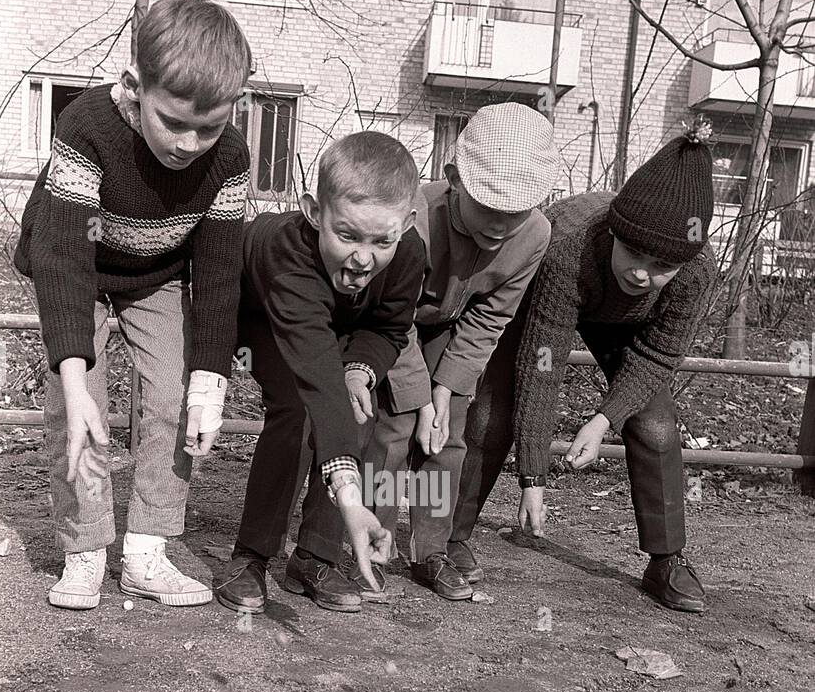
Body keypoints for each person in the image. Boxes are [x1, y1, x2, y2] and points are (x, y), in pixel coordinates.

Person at [14, 0, 252, 610]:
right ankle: (86, 548)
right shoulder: (87, 127)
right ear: (135, 86)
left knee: (174, 394)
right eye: (173, 121)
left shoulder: (228, 159)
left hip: (158, 274)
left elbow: (220, 272)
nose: (190, 143)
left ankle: (148, 546)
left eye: (210, 126)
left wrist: (210, 384)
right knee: (79, 405)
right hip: (79, 267)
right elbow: (64, 254)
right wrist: (73, 378)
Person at [449, 123, 717, 613]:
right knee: (491, 414)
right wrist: (534, 478)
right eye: (634, 252)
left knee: (656, 426)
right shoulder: (570, 247)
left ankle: (666, 560)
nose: (643, 273)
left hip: (627, 324)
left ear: (686, 261)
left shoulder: (696, 272)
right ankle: (450, 535)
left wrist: (603, 420)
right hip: (548, 301)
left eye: (662, 266)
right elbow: (543, 367)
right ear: (615, 232)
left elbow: (658, 356)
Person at [213, 131, 425, 615]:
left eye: (382, 240)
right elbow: (312, 365)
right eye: (347, 235)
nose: (363, 257)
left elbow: (389, 326)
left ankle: (315, 556)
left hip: (334, 327)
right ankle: (251, 556)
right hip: (259, 316)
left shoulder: (409, 253)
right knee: (295, 406)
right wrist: (351, 492)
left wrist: (360, 369)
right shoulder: (287, 254)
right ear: (313, 212)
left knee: (355, 405)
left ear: (406, 225)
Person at [368, 102, 559, 601]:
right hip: (389, 326)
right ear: (454, 178)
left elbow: (490, 316)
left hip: (452, 336)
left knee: (447, 438)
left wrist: (447, 389)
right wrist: (419, 396)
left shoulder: (535, 234)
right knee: (397, 427)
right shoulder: (413, 216)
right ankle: (372, 541)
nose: (501, 223)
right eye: (489, 206)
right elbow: (394, 315)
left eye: (514, 212)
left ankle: (430, 547)